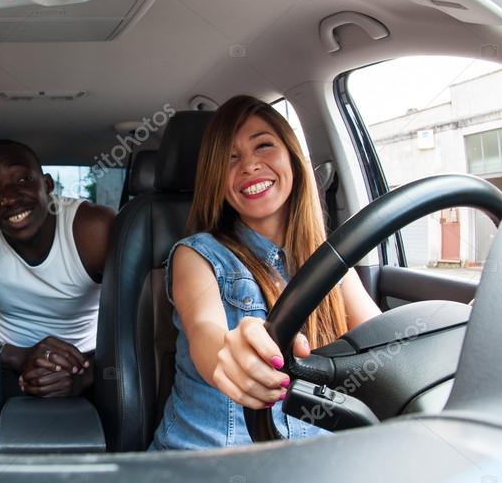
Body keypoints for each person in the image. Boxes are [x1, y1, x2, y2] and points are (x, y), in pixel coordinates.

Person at [150, 95, 381, 450]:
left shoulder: (330, 260)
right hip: (205, 459)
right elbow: (205, 332)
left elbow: (384, 344)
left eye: (264, 146)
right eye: (231, 157)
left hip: (319, 462)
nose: (250, 166)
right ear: (217, 179)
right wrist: (232, 353)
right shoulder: (196, 254)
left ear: (292, 157)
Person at [0, 140, 114, 398]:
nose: (10, 198)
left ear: (47, 184)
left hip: (86, 363)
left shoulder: (91, 229)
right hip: (1, 359)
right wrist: (15, 356)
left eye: (23, 180)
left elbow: (135, 325)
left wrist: (85, 376)